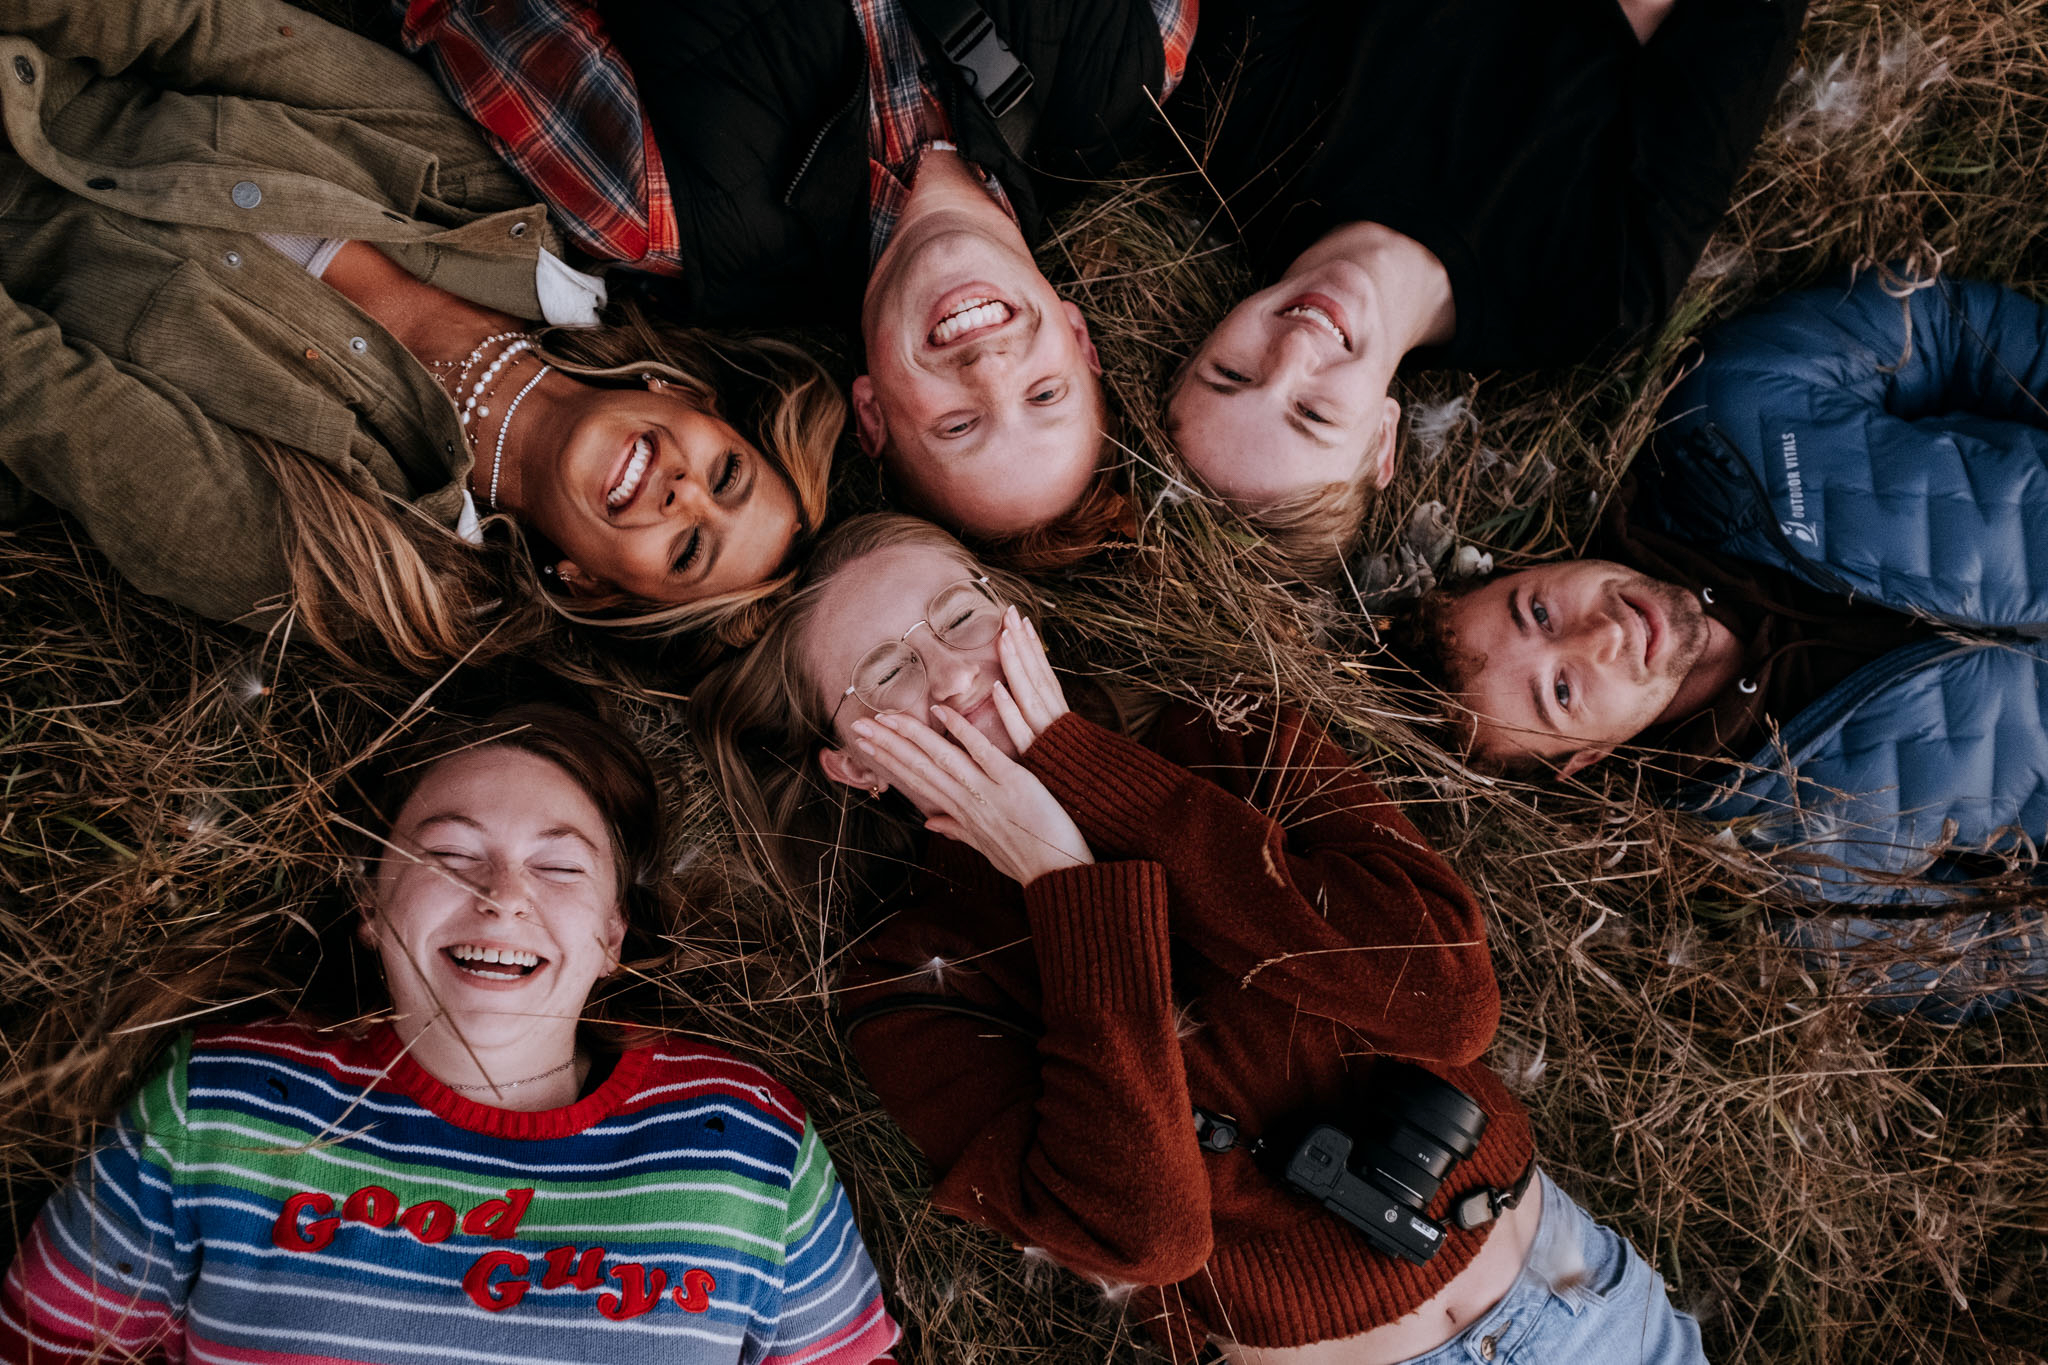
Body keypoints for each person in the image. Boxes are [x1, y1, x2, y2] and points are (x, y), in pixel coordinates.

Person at [690, 513, 1709, 1363]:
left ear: (1018, 618)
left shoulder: (1220, 733)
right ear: (853, 767)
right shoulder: (907, 980)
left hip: (1588, 1305)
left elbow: (1447, 1000)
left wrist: (1083, 768)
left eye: (960, 618)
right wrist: (1067, 889)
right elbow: (1143, 1234)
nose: (955, 675)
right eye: (887, 671)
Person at [0, 702, 901, 1364]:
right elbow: (47, 1343)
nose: (504, 893)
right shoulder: (223, 1106)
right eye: (450, 853)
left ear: (613, 934)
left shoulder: (743, 1139)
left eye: (557, 866)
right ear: (369, 900)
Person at [0, 0, 843, 670]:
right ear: (688, 398)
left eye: (689, 550)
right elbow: (203, 27)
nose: (682, 493)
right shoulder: (498, 212)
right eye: (726, 473)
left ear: (591, 589)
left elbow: (38, 396)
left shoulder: (346, 545)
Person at [1395, 270, 2048, 1021]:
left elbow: (1939, 324)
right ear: (1586, 759)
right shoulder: (1804, 874)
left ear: (1529, 564)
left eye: (1538, 611)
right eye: (1563, 691)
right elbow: (1990, 952)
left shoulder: (1729, 411)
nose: (1601, 634)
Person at [398, 0, 1197, 561]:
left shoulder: (654, 207)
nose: (988, 371)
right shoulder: (1131, 59)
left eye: (958, 426)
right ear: (1078, 335)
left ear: (873, 412)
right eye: (1044, 395)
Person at [1163, 0, 1806, 577]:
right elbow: (1743, 31)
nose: (1295, 351)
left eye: (1232, 373)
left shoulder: (1229, 137)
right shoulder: (1589, 296)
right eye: (1314, 413)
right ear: (1382, 440)